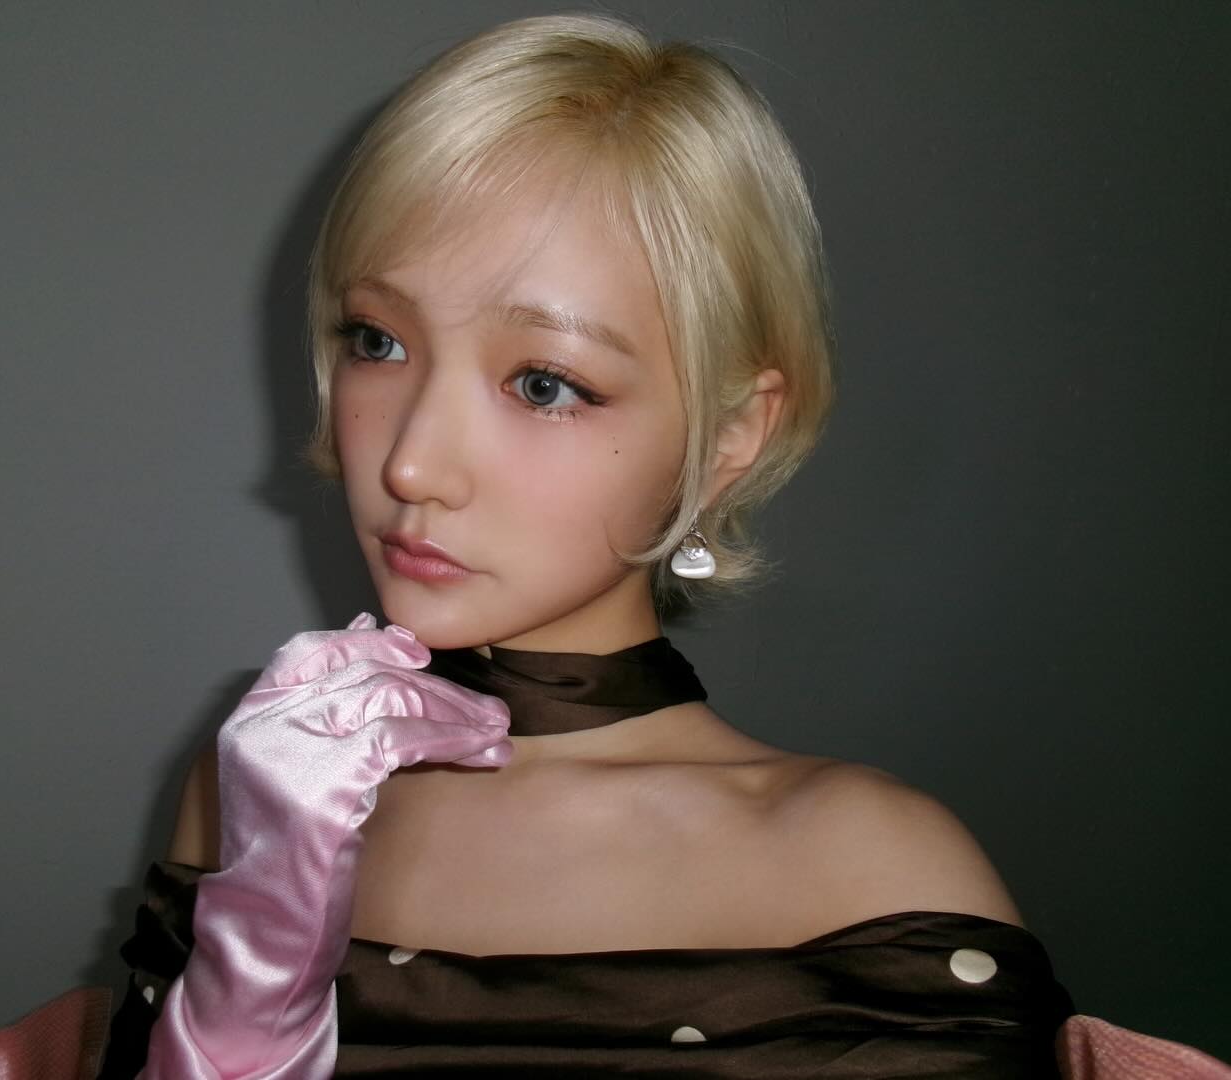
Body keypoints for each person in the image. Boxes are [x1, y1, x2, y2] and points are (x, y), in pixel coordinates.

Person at [99, 13, 1073, 1078]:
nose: (412, 464)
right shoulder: (259, 788)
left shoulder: (869, 876)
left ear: (729, 437)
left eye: (543, 384)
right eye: (378, 340)